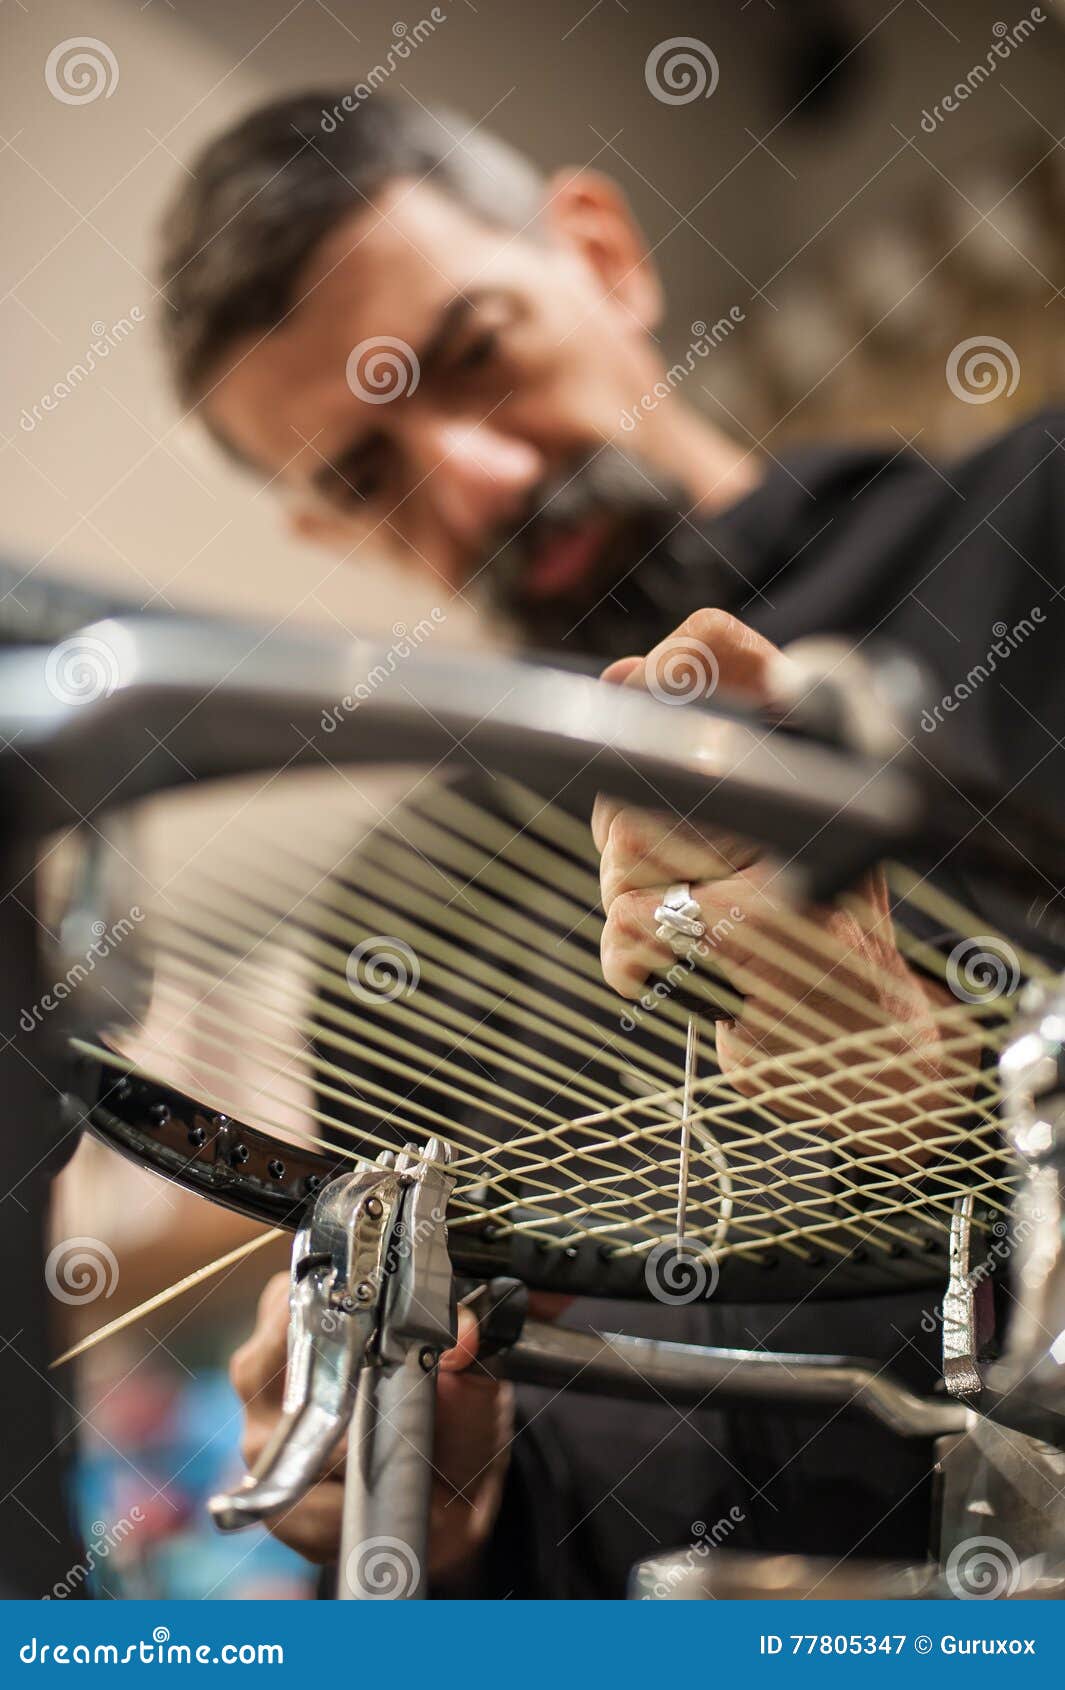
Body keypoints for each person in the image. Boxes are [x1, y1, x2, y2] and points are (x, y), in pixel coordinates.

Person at [157, 91, 1065, 1596]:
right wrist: (446, 1509)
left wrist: (952, 1123)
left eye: (477, 354)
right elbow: (564, 1470)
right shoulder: (400, 927)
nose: (481, 481)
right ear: (325, 529)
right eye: (365, 475)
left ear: (602, 254)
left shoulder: (1036, 527)